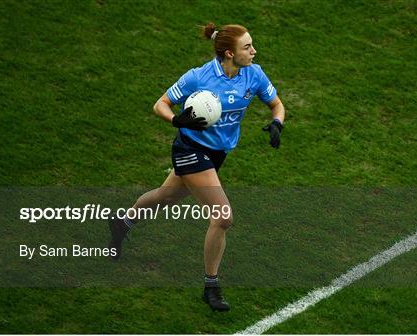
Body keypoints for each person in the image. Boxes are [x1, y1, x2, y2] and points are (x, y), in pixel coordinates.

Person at [108, 22, 285, 312]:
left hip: (217, 154)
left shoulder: (253, 74)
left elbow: (277, 104)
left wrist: (277, 123)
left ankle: (121, 223)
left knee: (165, 197)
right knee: (223, 217)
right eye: (247, 47)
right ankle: (211, 286)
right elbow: (161, 104)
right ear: (229, 53)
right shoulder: (198, 77)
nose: (254, 51)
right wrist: (177, 121)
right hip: (190, 150)